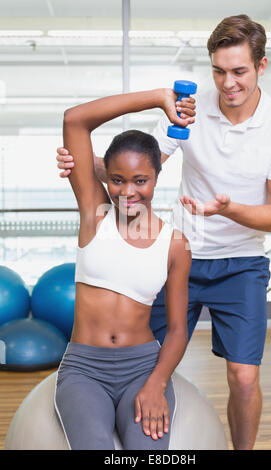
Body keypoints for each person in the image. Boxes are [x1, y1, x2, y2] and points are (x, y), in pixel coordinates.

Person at [56, 14, 271, 450]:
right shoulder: (189, 107)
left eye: (239, 71)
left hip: (240, 261)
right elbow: (140, 167)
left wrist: (230, 209)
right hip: (176, 256)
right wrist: (86, 166)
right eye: (219, 71)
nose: (227, 84)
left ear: (261, 67)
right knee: (142, 346)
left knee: (243, 376)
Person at [54, 90, 192, 450]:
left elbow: (177, 330)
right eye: (117, 180)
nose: (127, 192)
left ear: (156, 177)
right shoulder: (94, 213)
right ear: (106, 178)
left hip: (142, 367)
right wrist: (159, 98)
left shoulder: (175, 244)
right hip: (85, 369)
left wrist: (157, 382)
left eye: (140, 181)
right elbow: (75, 119)